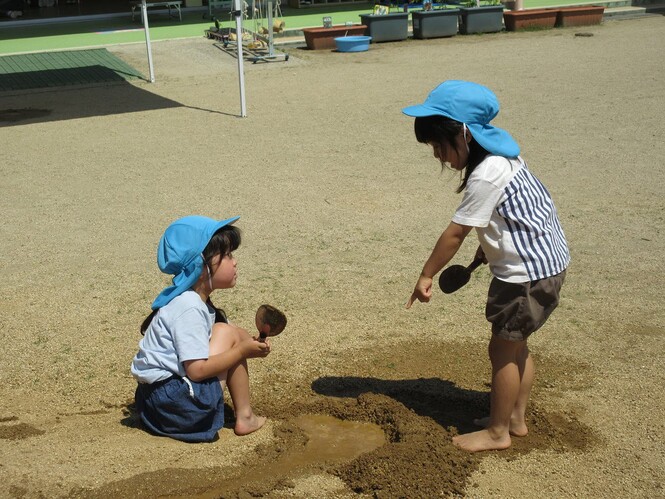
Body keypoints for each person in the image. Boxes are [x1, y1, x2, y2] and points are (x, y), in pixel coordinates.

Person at [403, 80, 570, 452]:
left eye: (437, 145)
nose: (437, 155)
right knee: (516, 346)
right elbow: (515, 218)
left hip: (524, 278)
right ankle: (515, 419)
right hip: (545, 266)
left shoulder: (485, 173)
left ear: (463, 134)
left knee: (502, 351)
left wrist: (426, 273)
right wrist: (487, 252)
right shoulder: (504, 159)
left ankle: (498, 432)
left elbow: (456, 232)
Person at [131, 215, 270, 442]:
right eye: (226, 255)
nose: (234, 261)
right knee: (227, 333)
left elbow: (229, 338)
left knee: (230, 332)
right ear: (202, 266)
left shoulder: (189, 301)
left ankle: (245, 415)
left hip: (155, 406)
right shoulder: (190, 306)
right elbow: (197, 370)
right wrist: (242, 351)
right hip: (177, 409)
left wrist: (248, 343)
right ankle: (245, 416)